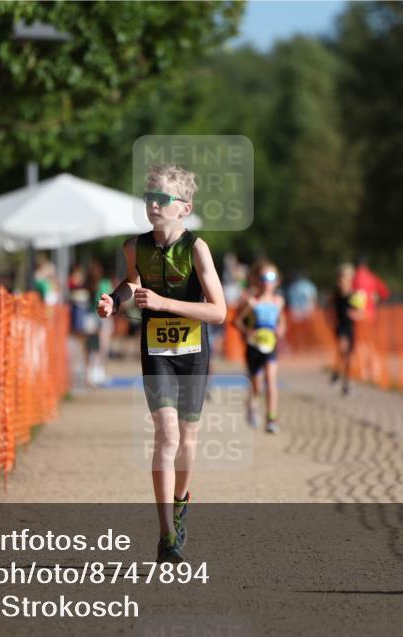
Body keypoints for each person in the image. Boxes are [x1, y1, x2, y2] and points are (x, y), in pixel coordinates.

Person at [97, 163, 226, 564]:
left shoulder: (196, 248)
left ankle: (181, 502)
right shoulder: (134, 247)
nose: (153, 204)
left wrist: (165, 303)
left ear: (183, 208)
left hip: (192, 353)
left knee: (187, 439)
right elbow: (133, 282)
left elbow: (219, 311)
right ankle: (167, 534)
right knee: (166, 435)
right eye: (149, 196)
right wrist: (113, 301)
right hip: (156, 351)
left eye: (162, 198)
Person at [233, 261, 286, 434]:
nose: (267, 282)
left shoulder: (278, 301)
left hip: (270, 346)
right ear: (257, 280)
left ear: (277, 281)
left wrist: (280, 330)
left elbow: (282, 322)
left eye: (271, 278)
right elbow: (237, 321)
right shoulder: (252, 302)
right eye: (263, 278)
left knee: (271, 380)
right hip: (254, 347)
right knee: (256, 384)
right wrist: (248, 332)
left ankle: (271, 418)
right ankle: (252, 405)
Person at [352, 255, 390, 381]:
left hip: (360, 315)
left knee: (361, 344)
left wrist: (358, 310)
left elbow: (358, 296)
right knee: (371, 344)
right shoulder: (372, 277)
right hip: (372, 316)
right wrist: (375, 302)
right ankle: (375, 372)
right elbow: (384, 293)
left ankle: (364, 372)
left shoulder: (356, 278)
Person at [329, 263, 364, 396]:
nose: (341, 281)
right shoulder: (336, 294)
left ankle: (346, 382)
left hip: (350, 327)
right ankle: (337, 372)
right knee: (342, 349)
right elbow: (329, 307)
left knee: (348, 357)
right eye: (339, 278)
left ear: (350, 279)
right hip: (340, 327)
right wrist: (330, 320)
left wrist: (355, 315)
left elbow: (361, 312)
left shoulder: (355, 295)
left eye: (344, 278)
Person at [85, 259, 113, 386]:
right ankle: (100, 372)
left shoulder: (87, 284)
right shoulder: (105, 283)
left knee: (91, 347)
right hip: (103, 317)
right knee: (103, 347)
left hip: (90, 317)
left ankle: (90, 373)